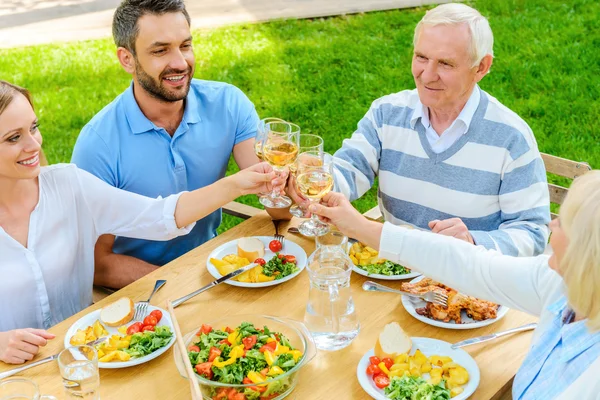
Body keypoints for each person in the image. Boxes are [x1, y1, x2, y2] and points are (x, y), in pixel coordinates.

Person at [0, 81, 282, 364]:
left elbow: (158, 217)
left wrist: (235, 184)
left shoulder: (68, 185)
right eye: (14, 137)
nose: (33, 144)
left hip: (87, 360)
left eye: (33, 128)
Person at [310, 169, 600, 399]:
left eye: (562, 222)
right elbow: (468, 264)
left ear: (585, 250)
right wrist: (359, 226)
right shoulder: (560, 286)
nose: (551, 226)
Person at [291, 3, 550, 256]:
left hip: (466, 284)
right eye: (421, 57)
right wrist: (315, 173)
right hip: (392, 269)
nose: (427, 76)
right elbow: (348, 173)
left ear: (480, 67)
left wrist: (472, 241)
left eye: (445, 64)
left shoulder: (510, 137)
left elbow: (533, 232)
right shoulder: (387, 114)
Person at [71, 0, 285, 289]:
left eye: (185, 45)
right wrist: (181, 283)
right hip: (139, 291)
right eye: (160, 50)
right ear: (127, 59)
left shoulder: (228, 104)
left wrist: (289, 180)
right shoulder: (98, 143)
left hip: (212, 270)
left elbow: (278, 204)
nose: (180, 63)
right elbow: (97, 264)